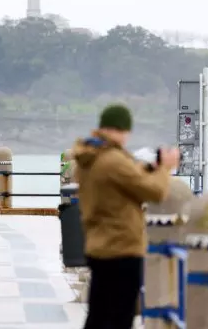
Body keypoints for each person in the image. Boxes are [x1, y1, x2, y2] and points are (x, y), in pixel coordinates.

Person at [72, 104, 180, 329]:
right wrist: (165, 168)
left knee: (99, 316)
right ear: (121, 129)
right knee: (120, 317)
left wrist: (150, 168)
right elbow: (155, 192)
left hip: (99, 245)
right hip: (121, 249)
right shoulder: (112, 159)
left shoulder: (90, 156)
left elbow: (125, 180)